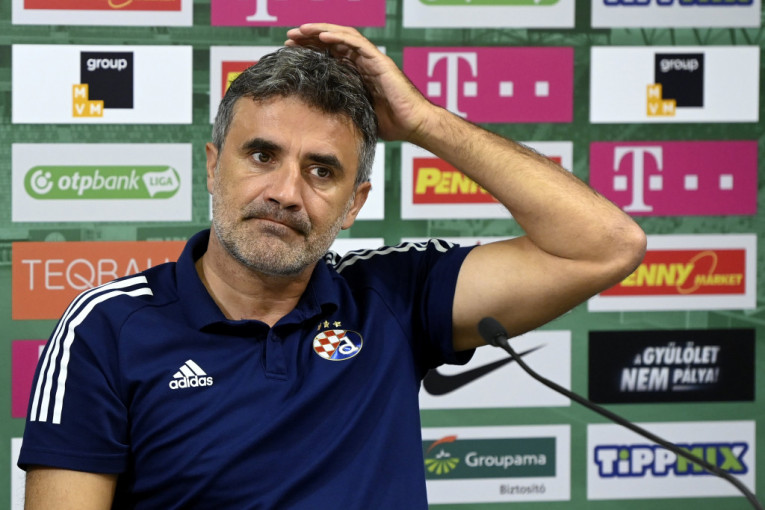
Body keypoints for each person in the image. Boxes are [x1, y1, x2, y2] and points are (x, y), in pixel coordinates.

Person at [18, 23, 646, 510]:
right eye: (261, 156)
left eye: (322, 171)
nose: (286, 193)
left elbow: (607, 244)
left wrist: (425, 122)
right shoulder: (106, 327)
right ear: (212, 166)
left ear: (354, 205)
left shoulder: (391, 296)